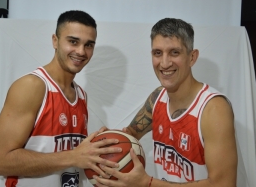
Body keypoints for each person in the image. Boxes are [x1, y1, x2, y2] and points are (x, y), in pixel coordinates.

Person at [94, 18, 238, 187]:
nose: (164, 63)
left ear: (192, 57)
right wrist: (104, 142)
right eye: (158, 53)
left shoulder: (213, 109)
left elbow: (224, 184)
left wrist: (147, 184)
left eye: (174, 53)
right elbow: (130, 135)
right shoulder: (157, 98)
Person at [0, 10, 122, 187]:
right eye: (73, 41)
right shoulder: (32, 86)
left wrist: (95, 153)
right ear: (55, 41)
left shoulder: (81, 96)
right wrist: (73, 156)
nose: (81, 51)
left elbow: (67, 160)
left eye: (89, 45)